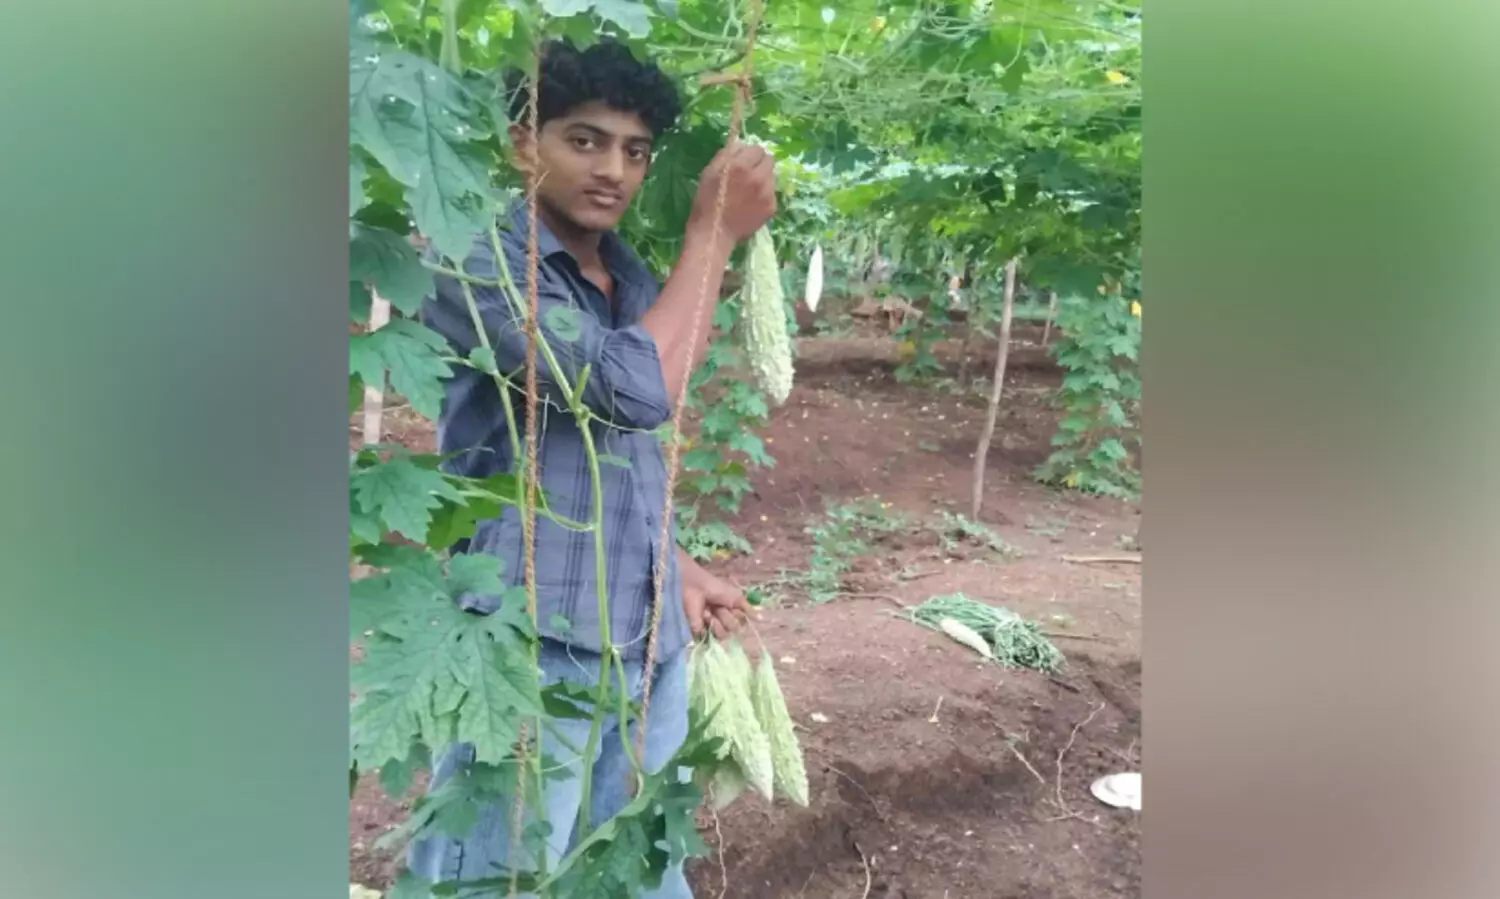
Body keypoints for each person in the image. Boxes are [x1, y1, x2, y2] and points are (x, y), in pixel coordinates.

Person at [407, 37, 777, 897]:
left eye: (635, 151)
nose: (613, 168)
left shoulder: (633, 281)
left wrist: (672, 565)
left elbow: (622, 453)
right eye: (585, 139)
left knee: (639, 870)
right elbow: (626, 393)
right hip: (526, 647)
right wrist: (715, 232)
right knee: (500, 876)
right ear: (522, 144)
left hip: (647, 648)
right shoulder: (476, 260)